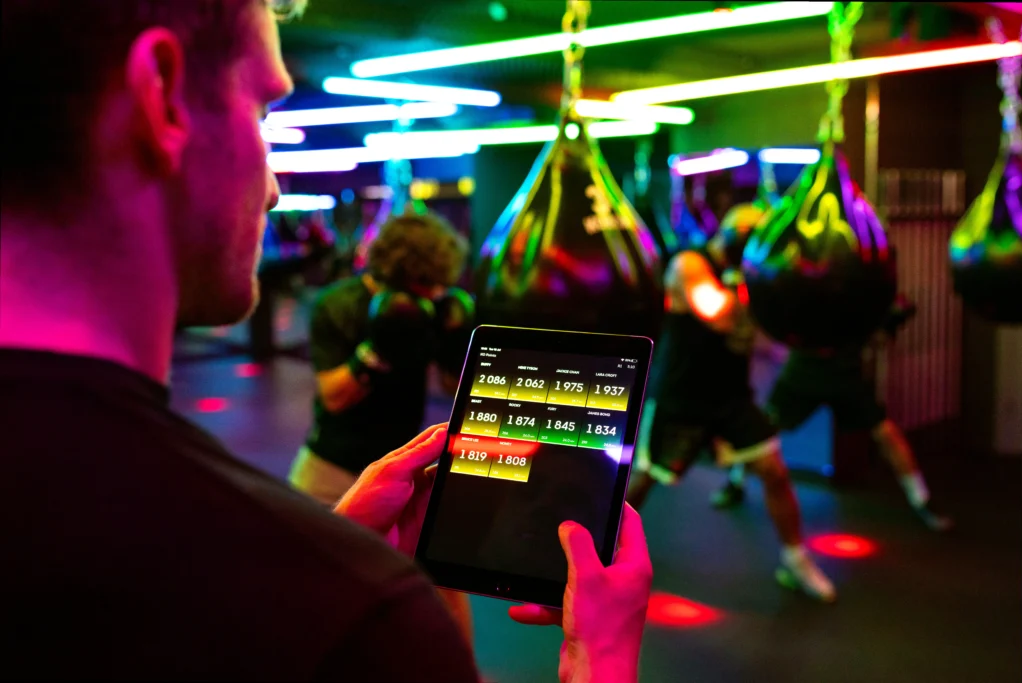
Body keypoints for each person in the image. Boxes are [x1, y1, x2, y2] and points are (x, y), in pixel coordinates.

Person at [0, 1, 653, 680]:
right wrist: (599, 659)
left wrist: (330, 552)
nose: (277, 188)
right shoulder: (350, 619)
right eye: (262, 114)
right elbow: (336, 400)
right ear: (161, 93)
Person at [627, 202, 837, 603]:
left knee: (774, 471)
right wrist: (769, 292)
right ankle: (598, 551)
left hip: (730, 397)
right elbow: (719, 313)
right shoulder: (689, 265)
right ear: (734, 235)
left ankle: (795, 560)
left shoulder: (754, 277)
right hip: (681, 394)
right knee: (645, 479)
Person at [710, 297, 954, 532]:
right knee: (762, 430)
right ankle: (735, 483)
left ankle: (921, 499)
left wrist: (884, 326)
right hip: (803, 371)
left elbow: (877, 330)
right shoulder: (806, 282)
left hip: (844, 371)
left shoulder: (857, 283)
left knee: (886, 432)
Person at [288, 210, 473, 505]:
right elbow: (334, 398)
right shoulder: (337, 305)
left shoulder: (432, 307)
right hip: (333, 468)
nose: (436, 292)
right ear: (401, 273)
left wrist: (457, 347)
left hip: (399, 464)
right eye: (427, 282)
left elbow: (453, 387)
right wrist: (379, 349)